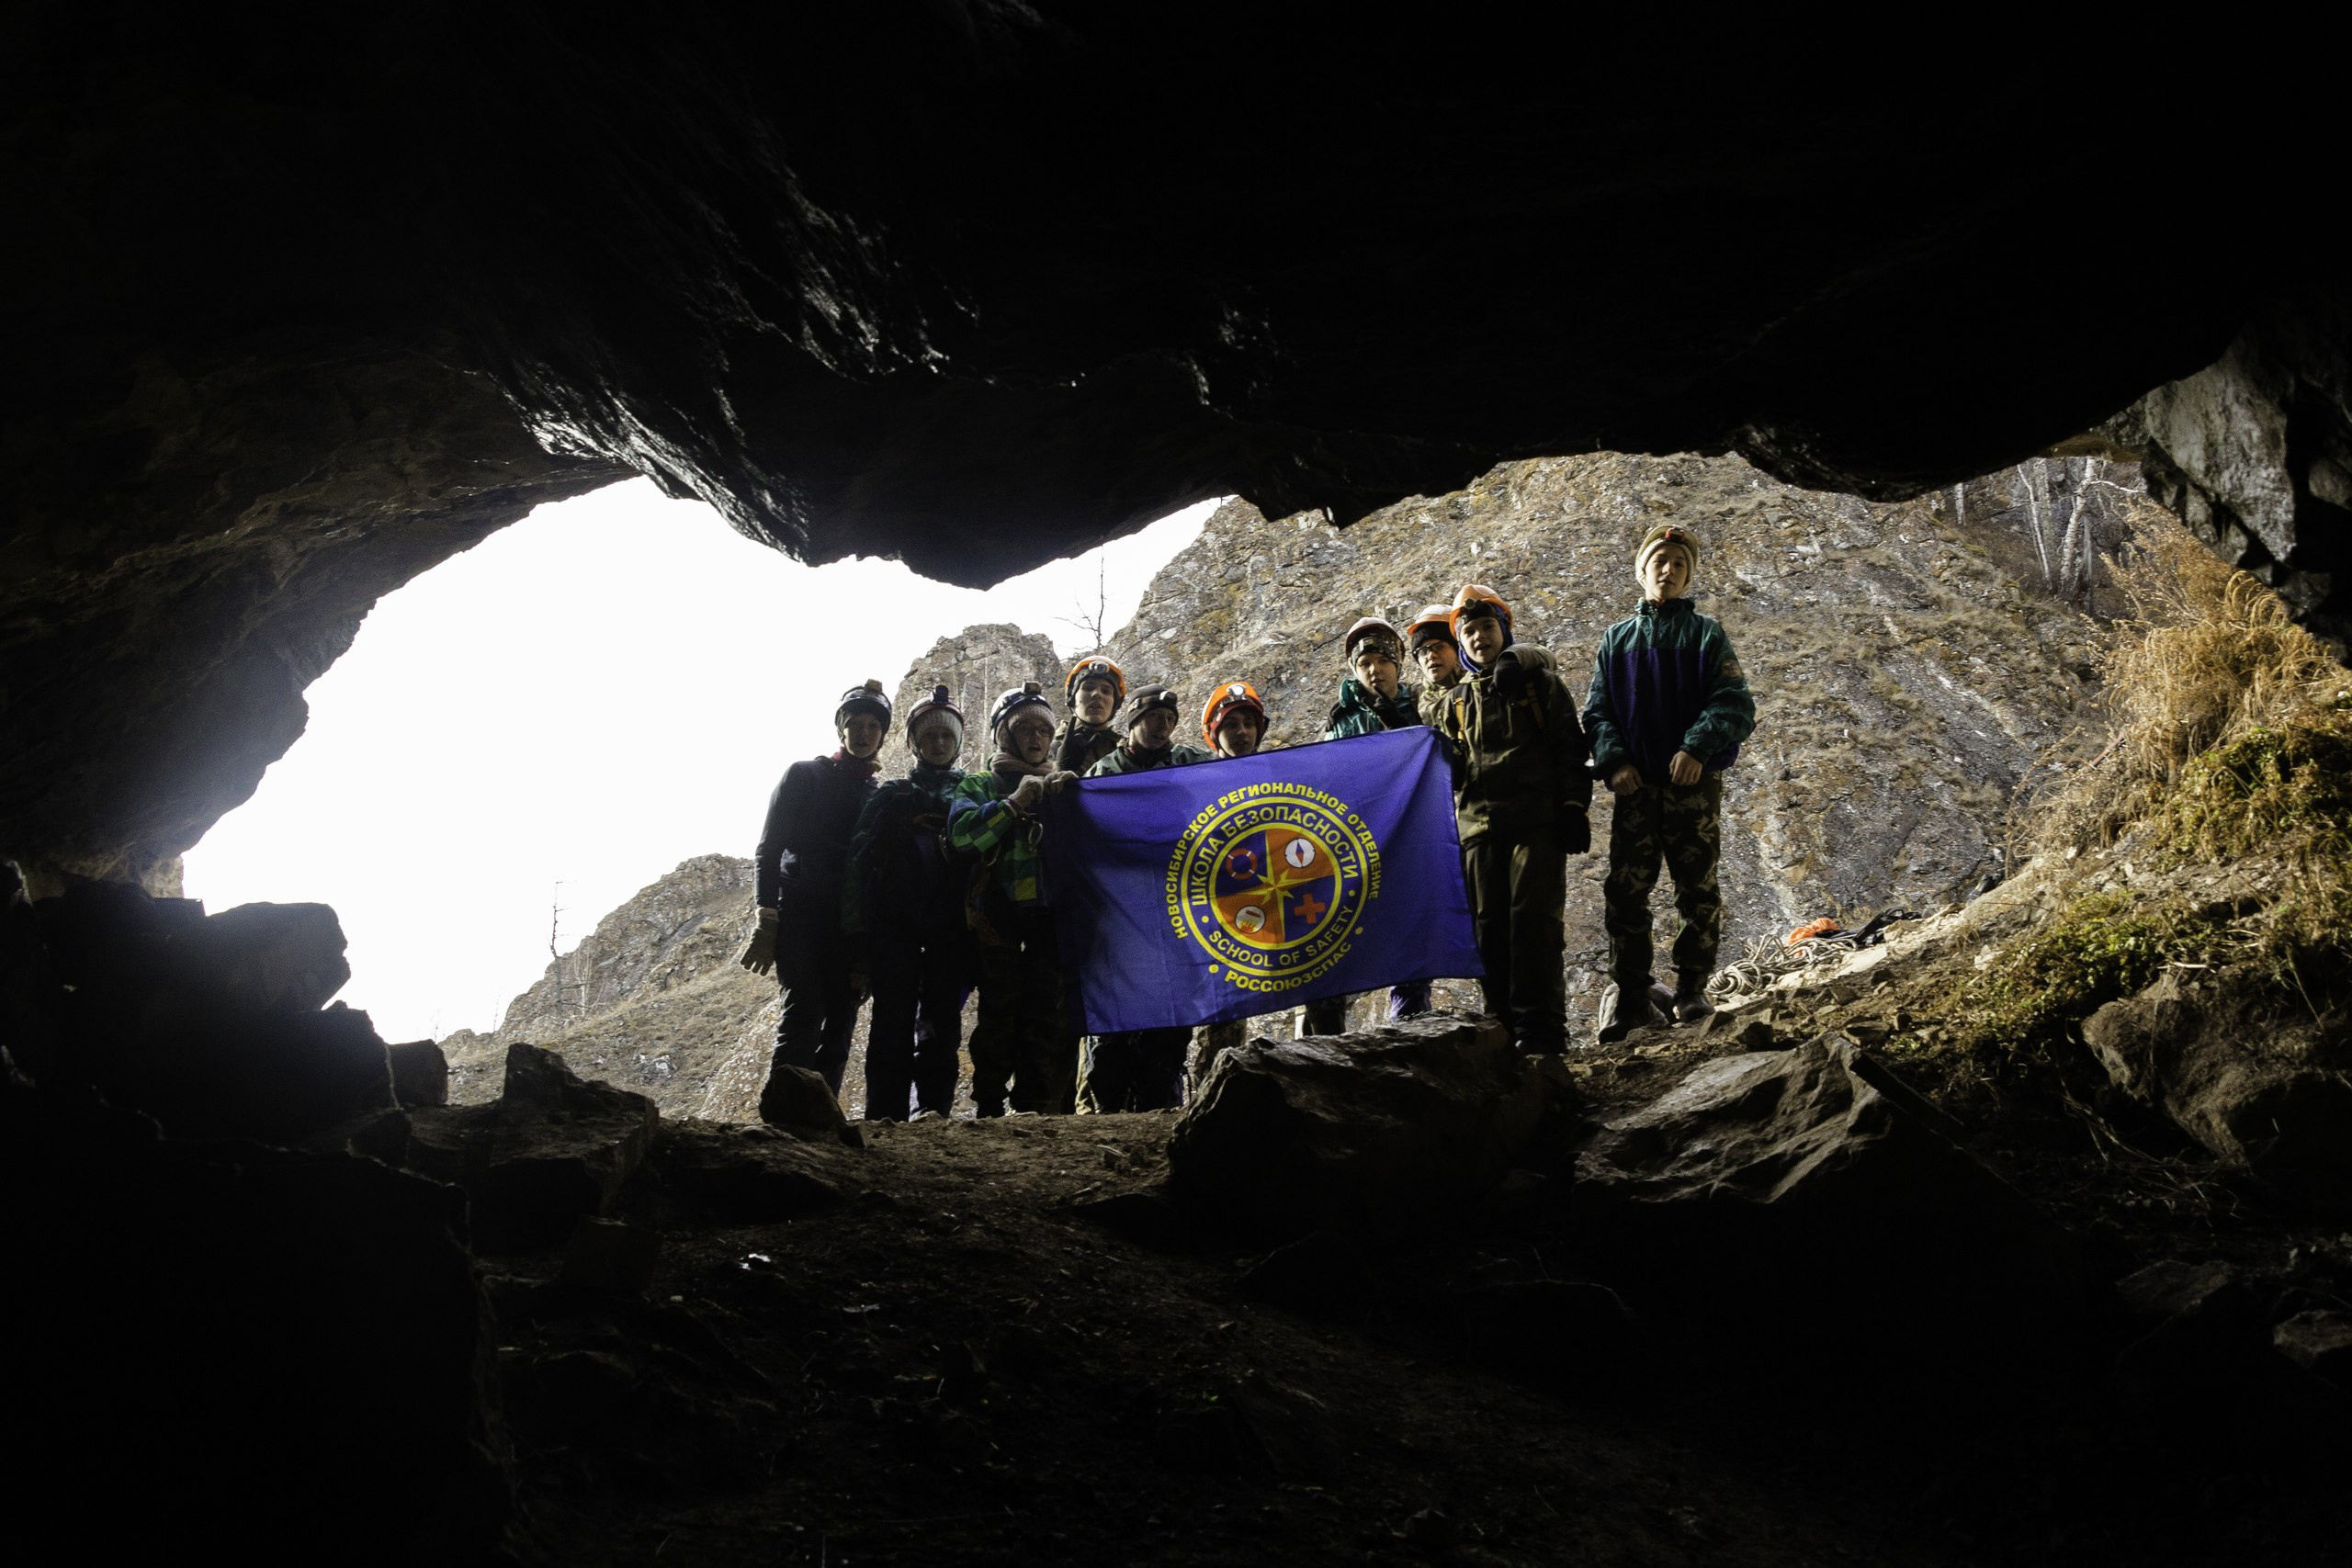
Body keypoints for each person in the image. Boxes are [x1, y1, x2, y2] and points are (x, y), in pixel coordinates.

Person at [1585, 524, 1756, 1041]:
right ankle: (1633, 996)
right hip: (1636, 790)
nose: (1669, 570)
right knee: (1626, 892)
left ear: (1689, 575)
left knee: (1697, 888)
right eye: (1660, 561)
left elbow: (1734, 703)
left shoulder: (1707, 634)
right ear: (1642, 571)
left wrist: (1696, 747)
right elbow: (1598, 713)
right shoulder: (1617, 639)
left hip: (1691, 788)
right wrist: (1616, 762)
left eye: (1679, 564)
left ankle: (1691, 991)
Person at [1432, 585, 1591, 1055]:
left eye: (1486, 627)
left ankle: (1542, 1034)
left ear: (1504, 630)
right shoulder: (1453, 704)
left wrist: (1573, 807)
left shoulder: (1540, 686)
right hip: (1479, 832)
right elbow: (1455, 774)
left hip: (1535, 824)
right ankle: (1501, 1030)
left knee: (1535, 925)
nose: (1479, 637)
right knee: (1488, 931)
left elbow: (1569, 748)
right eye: (1469, 630)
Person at [740, 679, 888, 1117]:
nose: (863, 732)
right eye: (854, 723)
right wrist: (767, 914)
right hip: (801, 913)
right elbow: (769, 847)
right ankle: (781, 1120)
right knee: (803, 1012)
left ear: (882, 733)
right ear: (841, 729)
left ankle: (819, 1123)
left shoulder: (878, 796)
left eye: (872, 725)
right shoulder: (804, 775)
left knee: (841, 1024)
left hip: (850, 925)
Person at [947, 682, 1082, 1113]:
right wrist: (1012, 804)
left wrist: (1081, 803)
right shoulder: (981, 784)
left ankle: (1035, 1106)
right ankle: (988, 1104)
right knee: (998, 1012)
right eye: (1026, 730)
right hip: (998, 917)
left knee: (1046, 1012)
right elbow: (961, 836)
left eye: (1044, 731)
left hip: (1050, 918)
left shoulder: (1062, 786)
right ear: (1005, 735)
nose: (1037, 738)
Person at [842, 684, 973, 1121]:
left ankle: (932, 1114)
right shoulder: (891, 795)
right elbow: (858, 862)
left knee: (941, 1025)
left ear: (955, 745)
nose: (938, 744)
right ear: (914, 743)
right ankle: (884, 1117)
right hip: (894, 927)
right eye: (929, 737)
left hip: (949, 929)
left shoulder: (971, 796)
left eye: (946, 737)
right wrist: (857, 931)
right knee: (890, 1024)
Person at [1080, 685, 1206, 1109]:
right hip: (1120, 914)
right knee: (1116, 1018)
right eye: (1155, 718)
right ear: (1135, 720)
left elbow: (1230, 776)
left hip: (1174, 911)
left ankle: (1160, 1105)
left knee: (1171, 1014)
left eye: (1170, 720)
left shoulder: (1189, 762)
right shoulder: (1103, 772)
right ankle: (1109, 1108)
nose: (1163, 727)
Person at [1303, 618, 1429, 1035]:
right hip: (1354, 847)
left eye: (1382, 661)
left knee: (1409, 941)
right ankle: (1325, 1042)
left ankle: (1410, 1028)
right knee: (1334, 943)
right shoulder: (1340, 721)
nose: (1374, 670)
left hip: (1411, 841)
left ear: (1398, 665)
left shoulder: (1424, 704)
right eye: (1365, 663)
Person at [1186, 679, 1275, 1093]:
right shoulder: (1194, 782)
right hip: (1216, 910)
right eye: (1231, 724)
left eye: (1248, 724)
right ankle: (1210, 1093)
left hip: (1277, 899)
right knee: (1222, 1011)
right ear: (1214, 732)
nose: (1242, 732)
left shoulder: (1278, 775)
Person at [1053, 657, 1126, 776]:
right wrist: (1060, 769)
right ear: (1072, 698)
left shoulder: (1126, 751)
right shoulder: (1043, 745)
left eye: (1106, 691)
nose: (1097, 694)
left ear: (1115, 704)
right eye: (1088, 688)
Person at [1407, 603, 1465, 724]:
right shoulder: (1412, 698)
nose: (1431, 655)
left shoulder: (1478, 687)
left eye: (1440, 647)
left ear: (1459, 650)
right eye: (1423, 651)